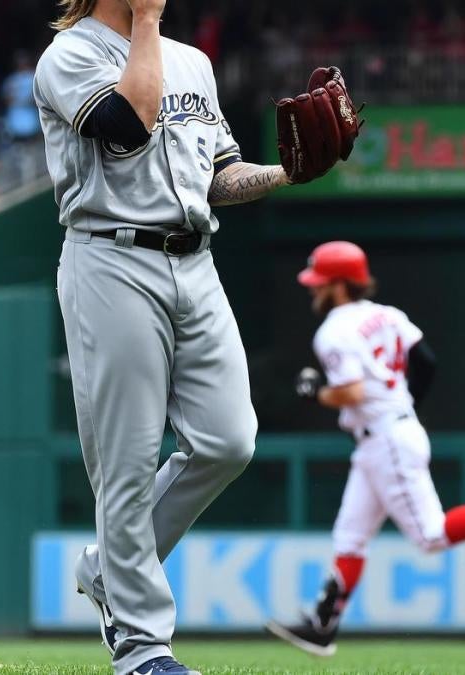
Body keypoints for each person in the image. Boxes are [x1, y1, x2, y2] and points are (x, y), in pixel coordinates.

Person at [34, 0, 296, 672]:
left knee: (229, 438)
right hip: (110, 256)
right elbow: (127, 124)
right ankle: (142, 645)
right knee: (125, 460)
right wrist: (145, 23)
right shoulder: (71, 55)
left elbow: (220, 177)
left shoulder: (193, 62)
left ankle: (108, 568)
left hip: (194, 259)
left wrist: (289, 173)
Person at [266, 241, 465, 658]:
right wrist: (407, 407)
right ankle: (323, 626)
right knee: (350, 537)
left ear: (339, 285)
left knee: (430, 535)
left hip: (385, 438)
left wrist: (316, 393)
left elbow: (352, 391)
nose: (313, 290)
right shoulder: (388, 315)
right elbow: (426, 361)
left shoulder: (333, 332)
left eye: (319, 283)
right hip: (389, 434)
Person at [2, 52, 41, 141]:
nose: (22, 64)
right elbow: (6, 99)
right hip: (16, 114)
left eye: (24, 61)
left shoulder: (35, 76)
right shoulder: (11, 79)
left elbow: (40, 98)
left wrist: (31, 100)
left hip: (32, 114)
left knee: (33, 141)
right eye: (20, 62)